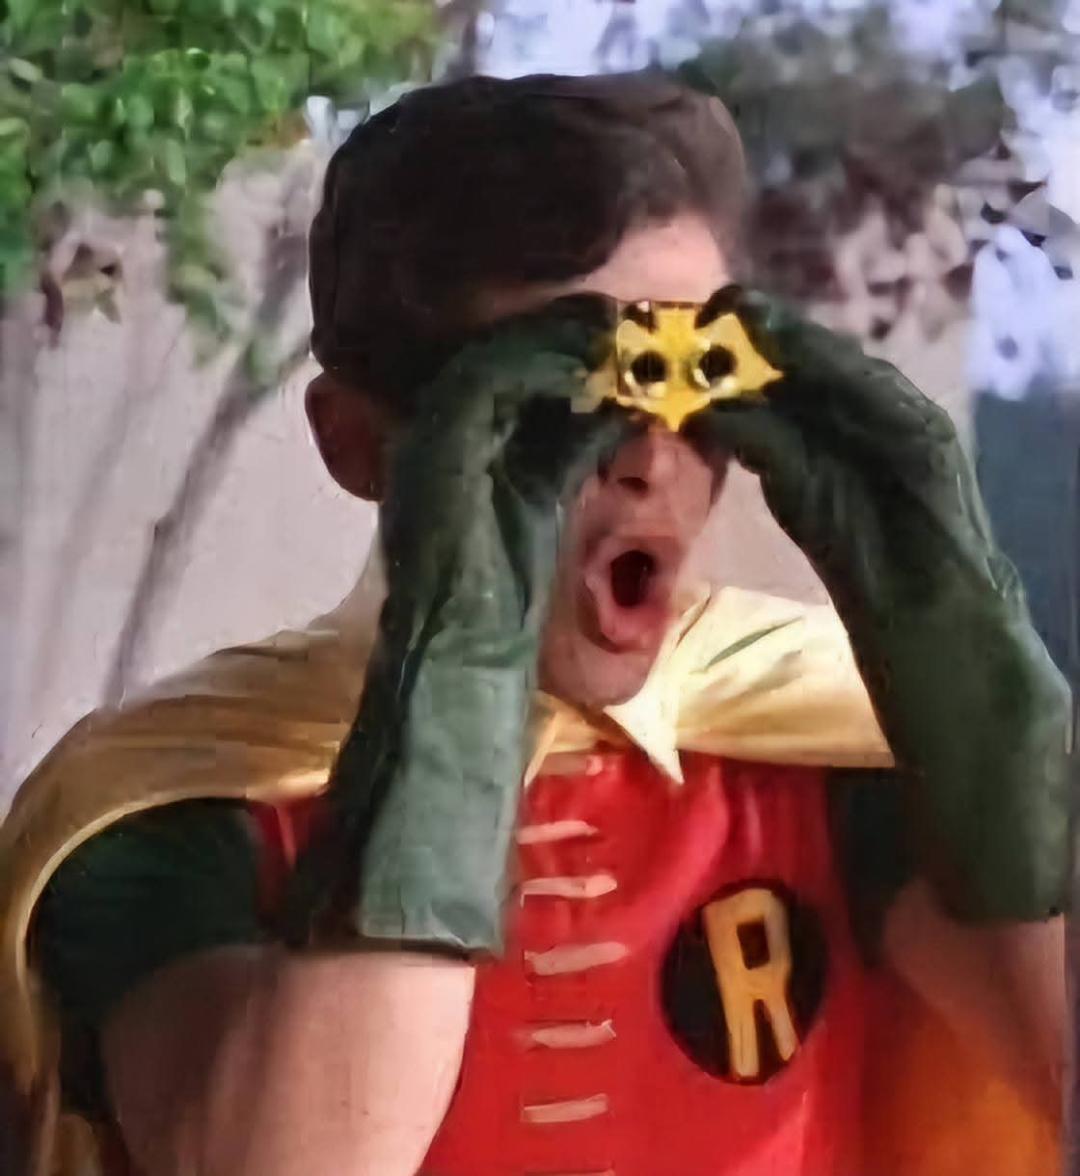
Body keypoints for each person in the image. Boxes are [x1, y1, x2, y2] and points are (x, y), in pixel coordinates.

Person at [0, 71, 1070, 1176]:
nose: (649, 459)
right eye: (562, 407)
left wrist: (978, 688)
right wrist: (460, 666)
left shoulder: (824, 752)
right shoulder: (183, 804)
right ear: (361, 444)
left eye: (694, 389)